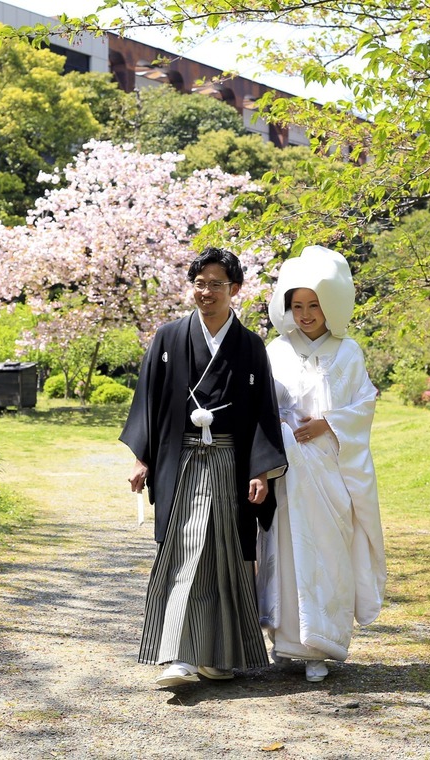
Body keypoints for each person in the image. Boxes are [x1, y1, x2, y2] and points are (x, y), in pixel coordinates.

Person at [121, 247, 288, 687]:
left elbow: (262, 413)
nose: (206, 291)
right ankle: (178, 655)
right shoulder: (169, 337)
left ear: (235, 290)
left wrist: (260, 470)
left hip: (231, 463)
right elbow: (149, 402)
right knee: (185, 550)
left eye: (216, 283)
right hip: (183, 460)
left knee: (227, 557)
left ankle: (220, 657)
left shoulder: (250, 345)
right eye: (200, 282)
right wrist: (143, 458)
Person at [257, 245, 387, 683]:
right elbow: (262, 406)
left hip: (330, 471)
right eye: (298, 306)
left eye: (314, 305)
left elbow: (365, 403)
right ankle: (290, 643)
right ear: (287, 309)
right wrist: (281, 426)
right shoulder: (275, 351)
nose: (306, 313)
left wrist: (328, 423)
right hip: (289, 472)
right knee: (288, 553)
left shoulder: (348, 351)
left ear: (329, 306)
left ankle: (322, 646)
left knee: (328, 554)